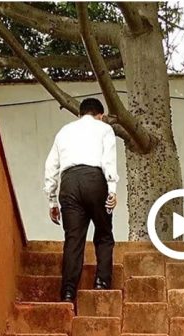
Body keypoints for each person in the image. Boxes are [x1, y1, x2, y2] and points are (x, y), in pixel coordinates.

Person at [44, 98, 119, 306]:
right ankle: (101, 282)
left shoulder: (64, 131)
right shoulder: (104, 129)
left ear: (80, 113)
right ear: (100, 115)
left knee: (73, 239)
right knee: (104, 234)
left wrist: (52, 200)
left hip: (68, 183)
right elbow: (109, 161)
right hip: (95, 180)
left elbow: (51, 166)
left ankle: (68, 292)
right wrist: (112, 189)